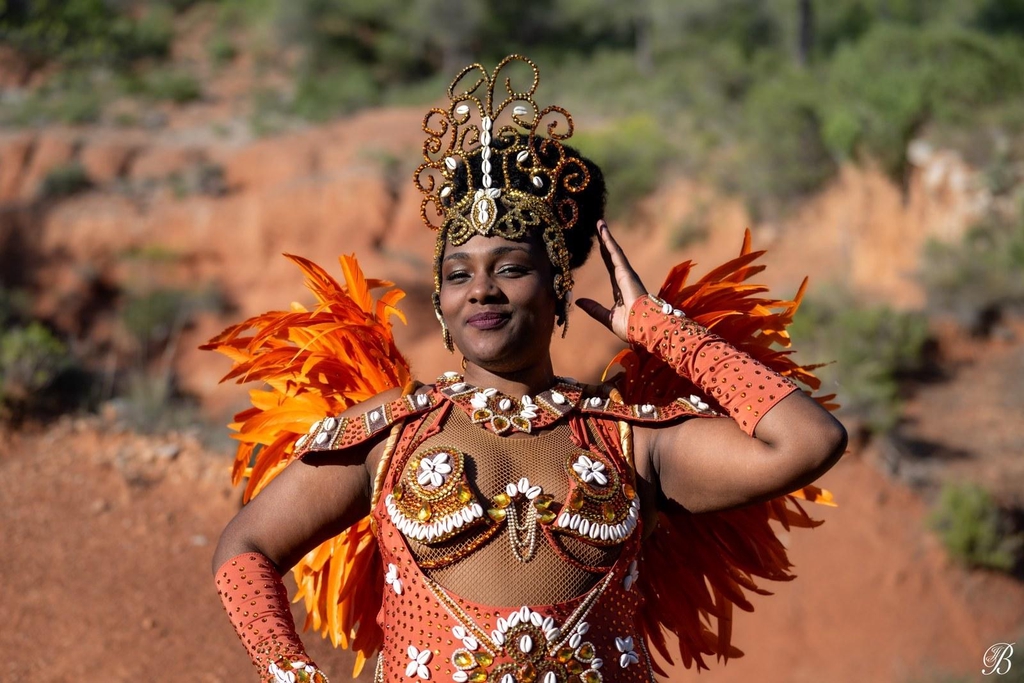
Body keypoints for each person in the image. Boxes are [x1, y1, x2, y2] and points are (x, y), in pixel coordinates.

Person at [207, 55, 847, 683]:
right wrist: (289, 672)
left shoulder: (630, 439)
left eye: (511, 268)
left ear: (558, 288)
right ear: (440, 299)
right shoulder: (391, 433)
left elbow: (808, 442)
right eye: (459, 274)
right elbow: (245, 550)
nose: (481, 291)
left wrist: (658, 328)